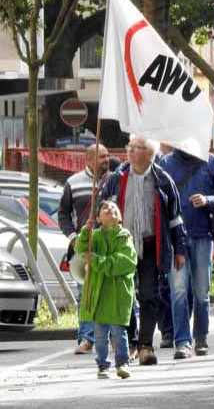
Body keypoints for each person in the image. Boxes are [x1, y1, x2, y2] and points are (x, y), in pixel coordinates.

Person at [99, 136, 188, 366]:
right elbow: (102, 209)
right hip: (122, 246)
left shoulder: (162, 180)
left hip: (151, 246)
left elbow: (175, 219)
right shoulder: (116, 178)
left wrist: (179, 249)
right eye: (129, 147)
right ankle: (130, 341)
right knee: (125, 296)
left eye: (137, 148)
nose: (130, 151)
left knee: (149, 296)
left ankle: (146, 346)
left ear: (149, 154)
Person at [158, 140, 214, 359]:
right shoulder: (166, 163)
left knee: (201, 291)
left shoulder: (212, 162)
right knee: (178, 291)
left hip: (202, 236)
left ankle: (201, 338)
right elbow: (158, 198)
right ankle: (182, 342)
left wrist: (207, 200)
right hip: (175, 238)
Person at [75, 201, 137, 379]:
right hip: (98, 293)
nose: (109, 209)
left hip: (118, 293)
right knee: (100, 333)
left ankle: (122, 362)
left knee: (119, 332)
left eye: (113, 207)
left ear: (120, 218)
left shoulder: (125, 237)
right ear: (98, 219)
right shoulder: (94, 237)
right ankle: (102, 365)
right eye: (104, 208)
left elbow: (124, 262)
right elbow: (80, 248)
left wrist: (96, 260)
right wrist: (85, 232)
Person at [59, 143, 110, 355]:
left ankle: (112, 337)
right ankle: (87, 337)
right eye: (101, 157)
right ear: (88, 160)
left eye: (107, 156)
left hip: (108, 246)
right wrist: (73, 238)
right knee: (86, 293)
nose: (106, 160)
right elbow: (63, 214)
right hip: (84, 246)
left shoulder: (113, 180)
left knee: (108, 292)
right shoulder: (73, 182)